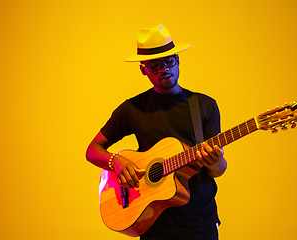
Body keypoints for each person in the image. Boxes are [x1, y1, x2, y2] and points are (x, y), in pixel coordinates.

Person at [86, 24, 227, 240]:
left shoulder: (204, 106)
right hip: (154, 220)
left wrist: (215, 162)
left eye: (168, 61)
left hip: (201, 221)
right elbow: (92, 150)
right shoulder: (132, 109)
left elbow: (217, 170)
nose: (163, 69)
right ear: (143, 70)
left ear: (177, 60)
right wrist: (116, 161)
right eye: (153, 65)